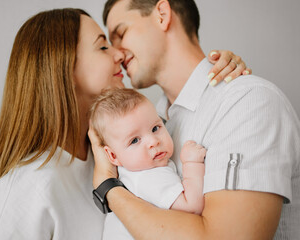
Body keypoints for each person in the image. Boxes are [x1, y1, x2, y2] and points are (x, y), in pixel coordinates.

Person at [0, 7, 250, 240]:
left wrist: (217, 71)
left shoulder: (119, 156)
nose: (119, 54)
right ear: (64, 68)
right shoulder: (23, 190)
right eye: (103, 46)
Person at [89, 0, 300, 239]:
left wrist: (109, 188)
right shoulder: (155, 120)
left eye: (121, 33)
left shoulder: (246, 101)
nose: (116, 53)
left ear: (161, 14)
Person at [90, 88, 206, 239]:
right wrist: (192, 163)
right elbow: (191, 207)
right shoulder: (149, 177)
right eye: (135, 140)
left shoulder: (135, 169)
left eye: (155, 128)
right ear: (113, 156)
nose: (153, 141)